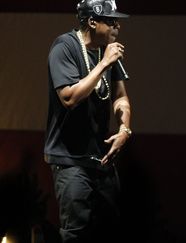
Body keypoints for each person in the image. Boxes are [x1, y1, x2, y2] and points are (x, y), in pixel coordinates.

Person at [44, 0, 131, 242]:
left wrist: (125, 129)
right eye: (111, 21)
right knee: (76, 233)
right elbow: (69, 98)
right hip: (70, 159)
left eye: (118, 22)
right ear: (92, 21)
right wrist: (103, 64)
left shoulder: (108, 50)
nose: (117, 27)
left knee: (110, 229)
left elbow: (121, 97)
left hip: (101, 159)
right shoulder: (64, 47)